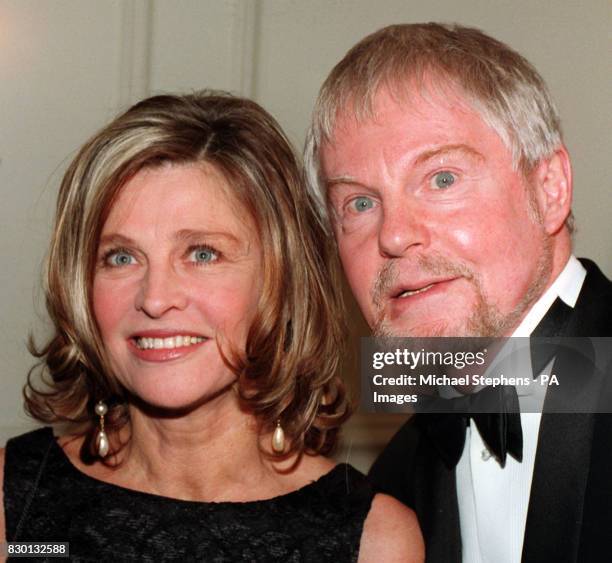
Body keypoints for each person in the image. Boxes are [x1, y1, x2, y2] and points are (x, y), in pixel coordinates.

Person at [0, 92, 423, 561]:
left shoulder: (372, 540)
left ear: (281, 282)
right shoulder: (17, 508)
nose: (155, 298)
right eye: (121, 257)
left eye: (202, 253)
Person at [304, 23, 612, 563]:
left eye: (442, 178)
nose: (394, 234)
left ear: (550, 189)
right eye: (358, 204)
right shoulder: (391, 486)